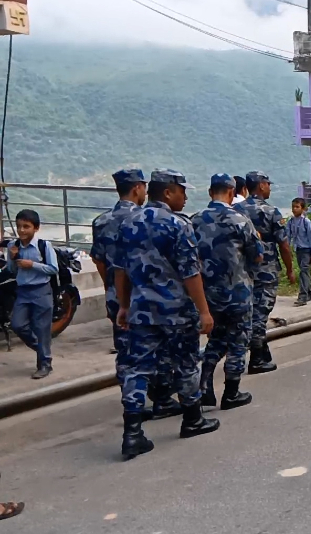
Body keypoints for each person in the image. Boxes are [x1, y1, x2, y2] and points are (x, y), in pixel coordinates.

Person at [114, 169, 219, 459]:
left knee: (137, 369)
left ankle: (132, 433)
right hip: (176, 311)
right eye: (182, 191)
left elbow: (120, 270)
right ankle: (193, 419)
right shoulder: (177, 224)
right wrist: (204, 311)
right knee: (186, 363)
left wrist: (124, 305)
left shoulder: (128, 222)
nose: (185, 197)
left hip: (141, 311)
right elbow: (191, 272)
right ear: (168, 192)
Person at [192, 174, 263, 410]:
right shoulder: (240, 220)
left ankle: (205, 385)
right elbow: (257, 255)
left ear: (210, 192)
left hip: (208, 295)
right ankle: (231, 392)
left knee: (216, 339)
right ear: (232, 192)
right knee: (238, 341)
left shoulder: (195, 220)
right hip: (237, 292)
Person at [236, 171, 293, 373]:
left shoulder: (236, 210)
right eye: (268, 184)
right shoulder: (271, 211)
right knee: (260, 314)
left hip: (241, 270)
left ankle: (262, 351)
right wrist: (290, 269)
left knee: (249, 311)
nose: (269, 187)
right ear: (261, 185)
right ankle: (257, 359)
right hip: (266, 270)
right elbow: (284, 245)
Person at [92, 169, 146, 361]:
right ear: (137, 188)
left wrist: (110, 286)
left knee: (124, 352)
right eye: (144, 187)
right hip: (146, 295)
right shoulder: (146, 218)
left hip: (116, 295)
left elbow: (98, 260)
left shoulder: (101, 221)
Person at [6, 209, 59, 380]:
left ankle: (44, 364)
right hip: (23, 291)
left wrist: (33, 265)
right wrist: (12, 257)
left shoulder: (44, 246)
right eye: (19, 226)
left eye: (26, 226)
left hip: (41, 290)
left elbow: (53, 269)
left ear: (35, 228)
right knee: (17, 324)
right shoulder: (13, 245)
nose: (21, 230)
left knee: (42, 328)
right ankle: (42, 349)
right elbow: (11, 270)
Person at [286, 197, 311, 307]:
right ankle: (310, 291)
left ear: (303, 209)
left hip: (306, 250)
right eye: (293, 207)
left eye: (297, 207)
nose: (294, 209)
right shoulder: (291, 222)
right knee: (304, 272)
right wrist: (288, 250)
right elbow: (288, 237)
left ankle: (303, 296)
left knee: (303, 271)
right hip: (298, 249)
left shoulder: (306, 222)